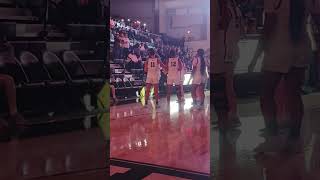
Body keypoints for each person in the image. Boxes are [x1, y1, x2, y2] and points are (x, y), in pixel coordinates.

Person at [249, 0, 316, 153]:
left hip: (278, 47)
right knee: (294, 95)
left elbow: (269, 25)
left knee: (266, 93)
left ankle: (273, 138)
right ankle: (294, 138)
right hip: (301, 46)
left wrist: (256, 55)